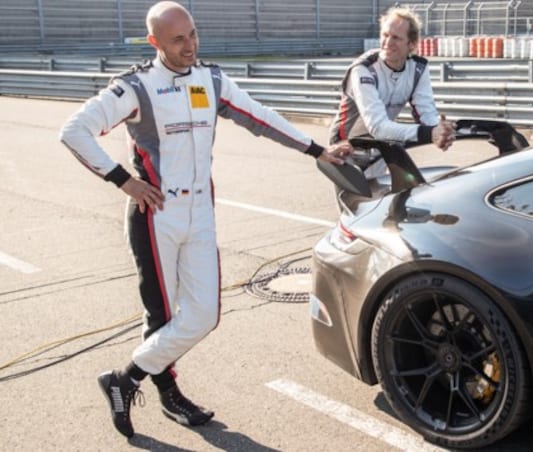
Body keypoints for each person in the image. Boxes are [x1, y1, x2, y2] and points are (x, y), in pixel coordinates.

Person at [59, 1, 351, 439]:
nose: (190, 45)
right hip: (154, 215)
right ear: (155, 41)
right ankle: (168, 392)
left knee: (203, 314)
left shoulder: (210, 80)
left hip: (200, 213)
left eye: (193, 34)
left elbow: (260, 116)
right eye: (178, 39)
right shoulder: (136, 87)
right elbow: (74, 131)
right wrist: (124, 182)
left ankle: (124, 378)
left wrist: (317, 150)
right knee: (160, 315)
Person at [329, 7, 455, 178]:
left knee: (386, 200)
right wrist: (430, 133)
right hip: (345, 149)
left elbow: (426, 114)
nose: (387, 43)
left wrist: (442, 131)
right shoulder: (363, 69)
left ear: (411, 44)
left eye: (396, 38)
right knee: (359, 204)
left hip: (381, 145)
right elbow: (378, 126)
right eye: (385, 35)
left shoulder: (418, 68)